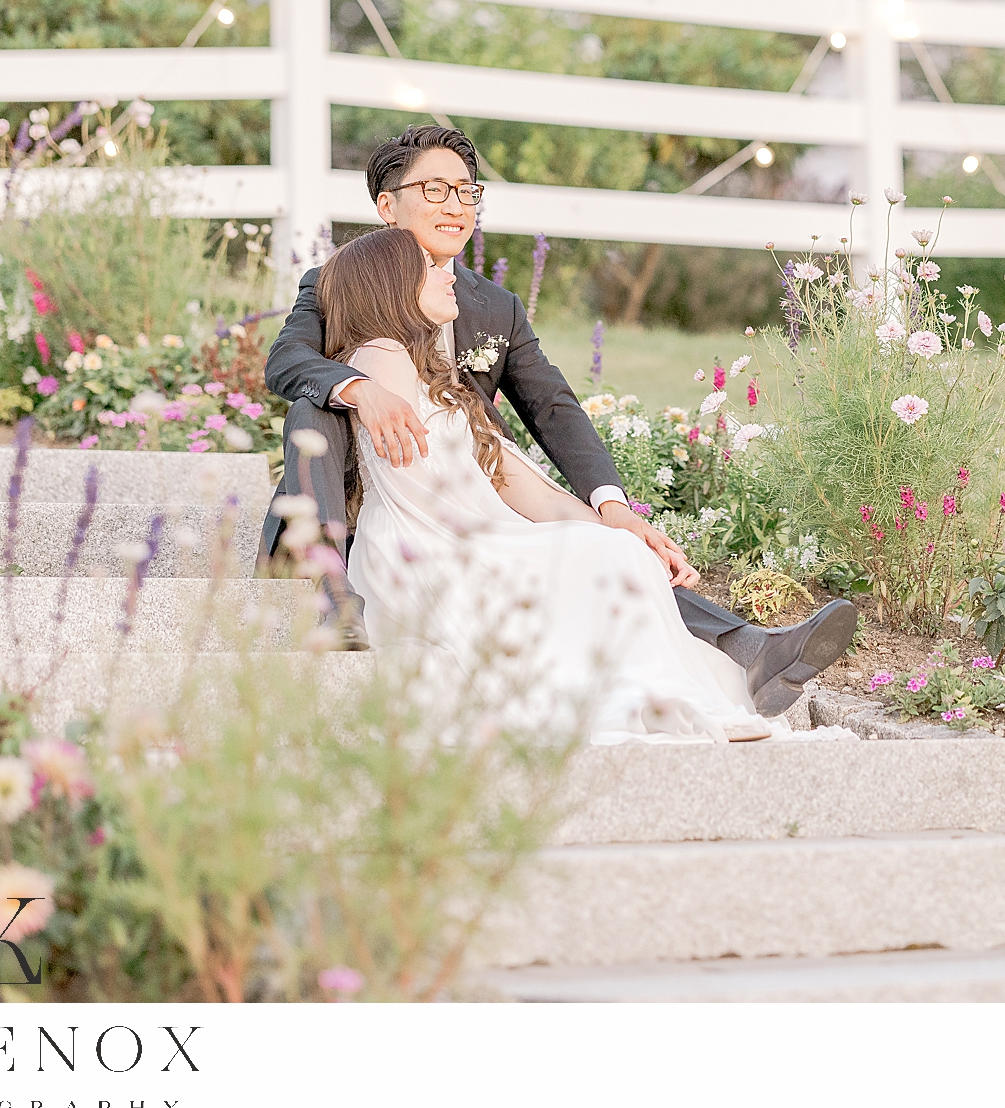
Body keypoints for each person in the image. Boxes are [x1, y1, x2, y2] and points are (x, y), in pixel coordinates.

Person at [261, 124, 855, 715]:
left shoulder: (494, 306)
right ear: (387, 205)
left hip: (467, 491)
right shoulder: (338, 280)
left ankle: (746, 647)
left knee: (601, 545)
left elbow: (553, 408)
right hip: (373, 508)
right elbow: (288, 361)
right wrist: (360, 387)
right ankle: (331, 588)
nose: (457, 204)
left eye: (467, 191)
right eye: (436, 189)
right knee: (318, 398)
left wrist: (613, 508)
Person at [316, 226, 781, 742]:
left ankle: (662, 696)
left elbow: (527, 490)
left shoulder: (432, 375)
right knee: (600, 560)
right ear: (391, 288)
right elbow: (418, 477)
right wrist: (361, 392)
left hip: (465, 537)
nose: (446, 274)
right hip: (425, 549)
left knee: (618, 551)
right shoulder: (381, 356)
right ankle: (648, 701)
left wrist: (623, 530)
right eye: (427, 268)